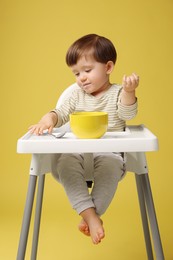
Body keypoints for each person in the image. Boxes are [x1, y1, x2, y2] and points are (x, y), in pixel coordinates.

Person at [29, 34, 139, 245]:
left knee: (111, 166)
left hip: (109, 152)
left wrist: (129, 91)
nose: (81, 78)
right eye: (76, 73)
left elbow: (127, 114)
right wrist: (47, 119)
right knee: (65, 163)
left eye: (87, 71)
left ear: (108, 67)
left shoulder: (118, 93)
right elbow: (60, 113)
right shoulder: (75, 95)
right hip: (77, 152)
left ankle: (89, 215)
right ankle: (92, 218)